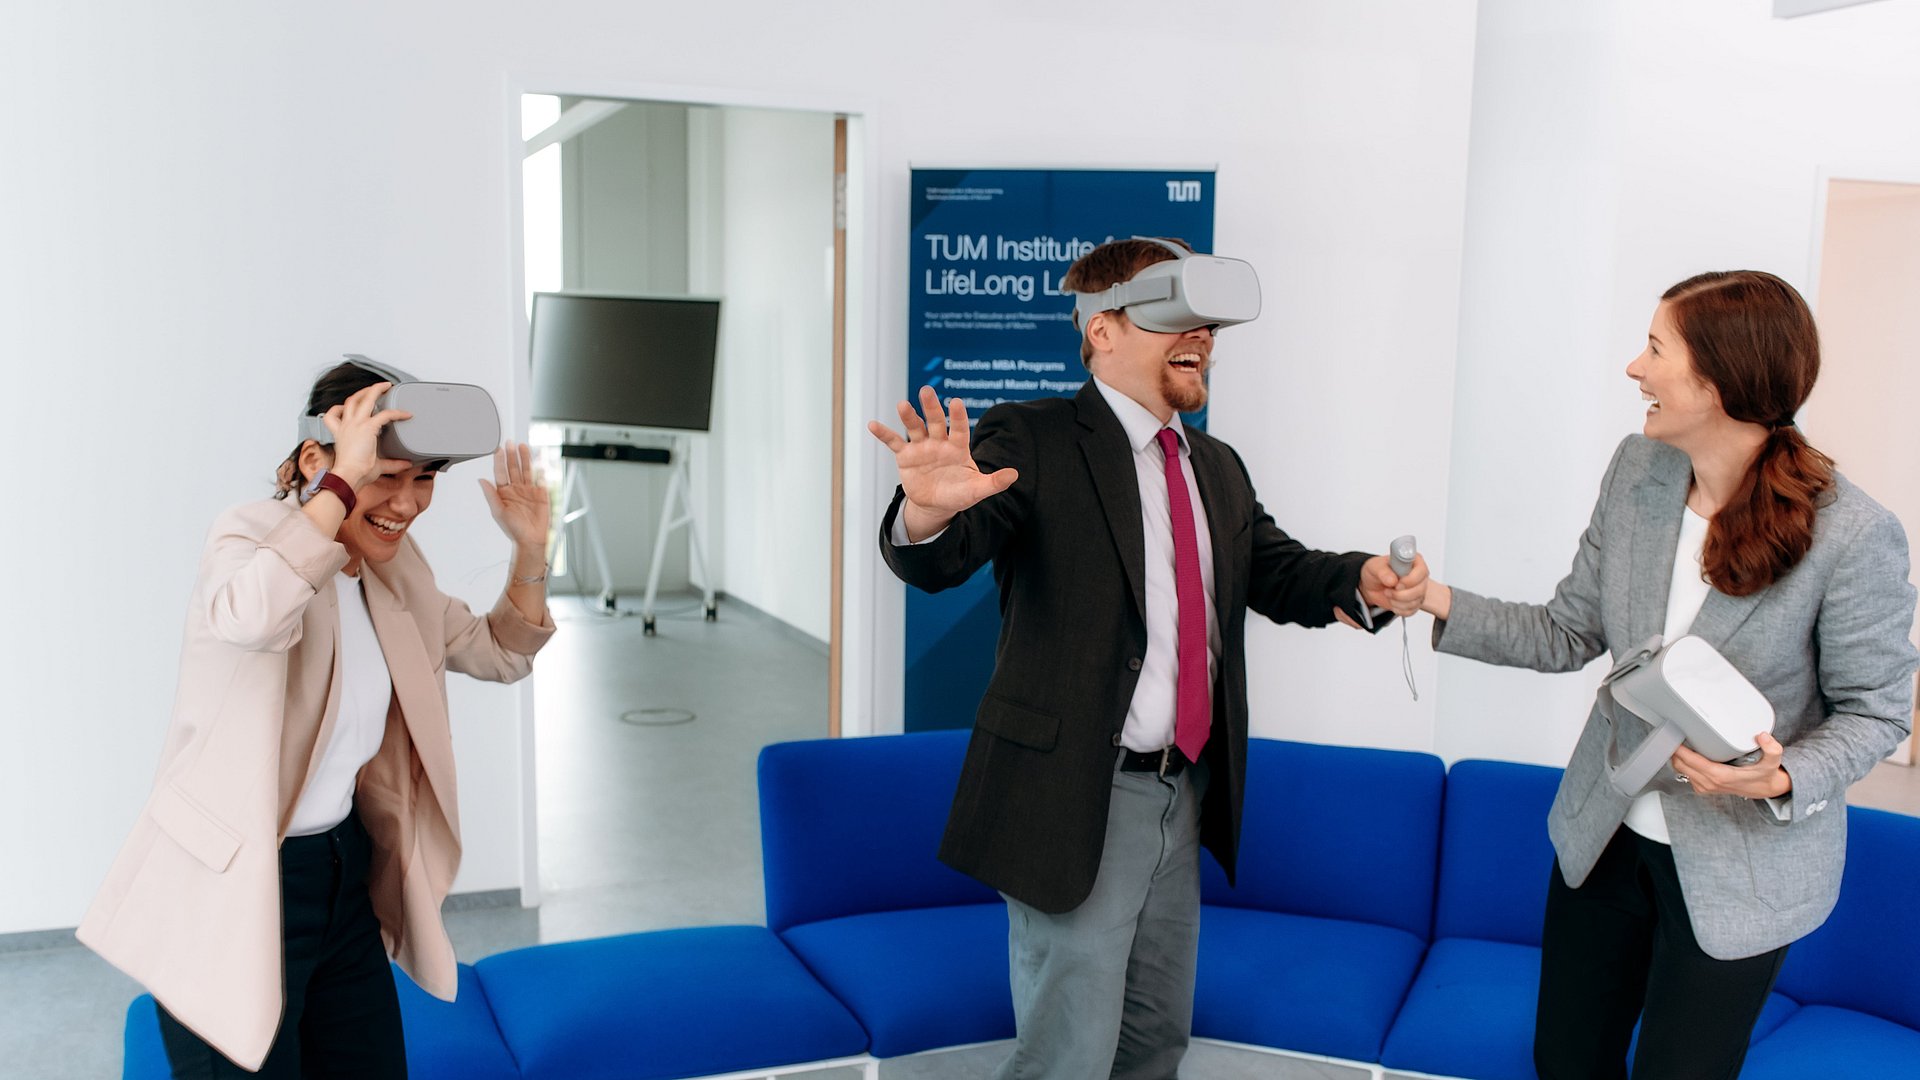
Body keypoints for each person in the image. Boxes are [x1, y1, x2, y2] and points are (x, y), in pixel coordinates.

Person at [869, 236, 1428, 1080]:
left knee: (1154, 1042)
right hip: (1078, 797)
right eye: (1178, 317)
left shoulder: (1215, 465)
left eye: (1209, 324)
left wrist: (1362, 582)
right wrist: (925, 513)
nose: (1200, 336)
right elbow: (945, 555)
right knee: (1070, 1053)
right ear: (1102, 330)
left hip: (1186, 791)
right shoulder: (1038, 437)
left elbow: (1275, 571)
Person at [1418, 270, 1918, 1079]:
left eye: (1655, 348)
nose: (1634, 369)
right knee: (1567, 1061)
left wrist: (1783, 775)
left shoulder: (1854, 534)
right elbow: (1567, 629)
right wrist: (1431, 600)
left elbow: (1878, 712)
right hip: (1604, 834)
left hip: (1741, 869)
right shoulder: (1638, 471)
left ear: (1720, 381)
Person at [77, 360, 556, 1077]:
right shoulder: (250, 537)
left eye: (424, 478)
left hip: (341, 873)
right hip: (238, 886)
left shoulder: (398, 572)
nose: (409, 502)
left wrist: (530, 551)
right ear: (315, 460)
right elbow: (247, 618)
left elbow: (499, 653)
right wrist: (338, 487)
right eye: (384, 474)